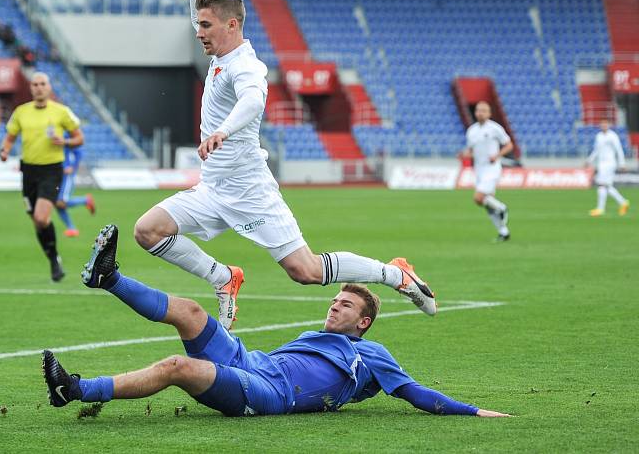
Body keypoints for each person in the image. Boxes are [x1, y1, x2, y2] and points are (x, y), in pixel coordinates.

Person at [132, 0, 436, 331]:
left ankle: (396, 275)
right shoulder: (220, 50)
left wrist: (222, 130)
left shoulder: (246, 66)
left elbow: (254, 101)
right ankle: (222, 278)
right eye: (199, 24)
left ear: (232, 25)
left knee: (304, 270)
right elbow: (202, 12)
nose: (198, 32)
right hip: (213, 188)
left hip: (249, 188)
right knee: (147, 230)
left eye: (205, 26)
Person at [43, 225, 509, 418]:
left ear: (364, 323)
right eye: (335, 300)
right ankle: (110, 277)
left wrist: (472, 411)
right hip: (253, 360)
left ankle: (77, 389)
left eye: (345, 306)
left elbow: (415, 393)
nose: (333, 306)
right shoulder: (317, 335)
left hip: (270, 394)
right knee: (190, 312)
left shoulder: (373, 356)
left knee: (177, 368)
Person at [0, 72, 83, 281]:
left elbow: (79, 138)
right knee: (37, 223)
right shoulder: (21, 112)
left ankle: (54, 261)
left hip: (52, 171)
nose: (38, 87)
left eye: (42, 84)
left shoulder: (62, 112)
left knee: (41, 217)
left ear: (49, 87)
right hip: (28, 171)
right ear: (31, 88)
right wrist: (5, 150)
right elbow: (10, 137)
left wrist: (63, 143)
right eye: (35, 84)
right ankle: (53, 257)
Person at [459, 101, 514, 242]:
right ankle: (503, 232)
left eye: (483, 110)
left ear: (489, 113)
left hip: (492, 168)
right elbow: (472, 152)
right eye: (478, 110)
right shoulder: (471, 131)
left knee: (478, 197)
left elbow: (509, 145)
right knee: (486, 204)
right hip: (479, 169)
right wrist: (465, 154)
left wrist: (497, 155)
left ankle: (502, 208)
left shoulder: (495, 128)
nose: (480, 113)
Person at [587, 120, 630, 217]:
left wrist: (622, 163)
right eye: (602, 125)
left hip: (610, 163)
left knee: (602, 185)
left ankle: (600, 209)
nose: (603, 126)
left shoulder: (612, 136)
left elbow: (618, 149)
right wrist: (589, 160)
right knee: (606, 186)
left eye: (605, 124)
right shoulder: (599, 136)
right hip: (601, 164)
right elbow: (596, 150)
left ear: (609, 125)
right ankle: (623, 202)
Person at [56, 140, 96, 237]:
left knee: (61, 202)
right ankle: (72, 229)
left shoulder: (64, 136)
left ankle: (85, 200)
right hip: (56, 175)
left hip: (66, 176)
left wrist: (72, 167)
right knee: (57, 203)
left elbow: (78, 152)